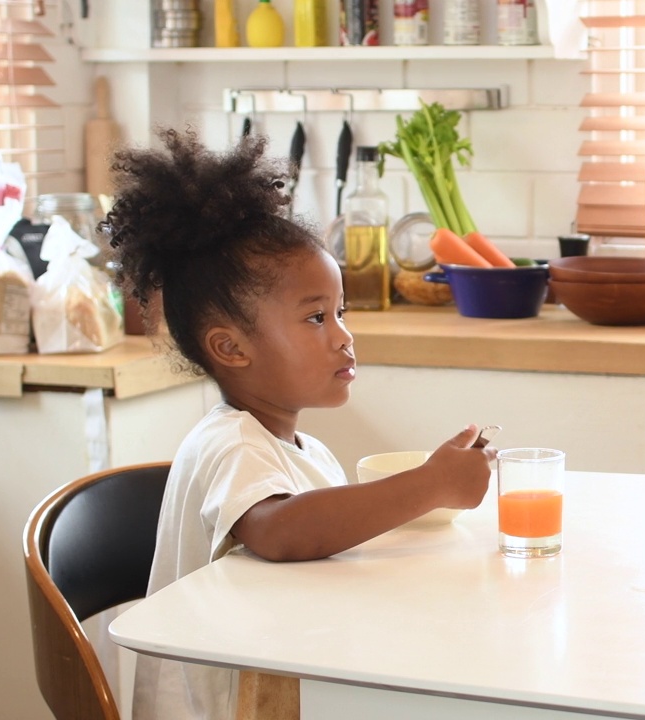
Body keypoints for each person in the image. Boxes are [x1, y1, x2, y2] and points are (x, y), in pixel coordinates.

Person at [104, 129, 496, 720]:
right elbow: (282, 532)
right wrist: (431, 485)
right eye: (316, 317)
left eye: (340, 312)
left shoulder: (300, 448)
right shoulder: (229, 443)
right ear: (231, 347)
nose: (344, 335)